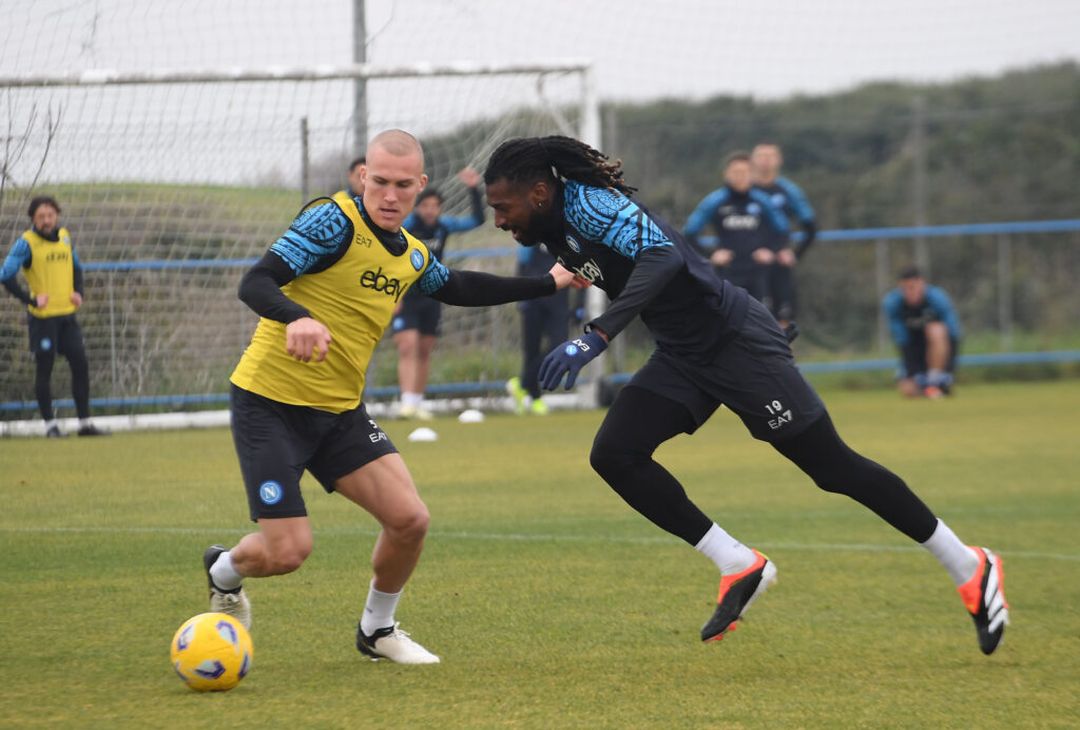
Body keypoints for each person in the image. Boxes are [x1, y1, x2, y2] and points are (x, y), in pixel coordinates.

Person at [483, 135, 1009, 656]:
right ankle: (739, 563)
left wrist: (596, 335)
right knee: (616, 454)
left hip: (734, 341)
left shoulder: (592, 204)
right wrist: (556, 283)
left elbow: (663, 257)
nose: (499, 220)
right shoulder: (553, 225)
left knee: (833, 469)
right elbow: (597, 264)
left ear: (538, 193)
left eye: (503, 208)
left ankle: (969, 564)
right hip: (683, 354)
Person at [203, 129, 575, 665]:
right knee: (289, 553)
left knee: (410, 521)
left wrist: (549, 281)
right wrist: (298, 317)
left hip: (339, 412)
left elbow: (461, 287)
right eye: (379, 182)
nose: (391, 195)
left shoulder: (414, 253)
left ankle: (376, 631)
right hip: (270, 403)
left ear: (422, 185)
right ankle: (224, 571)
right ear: (362, 178)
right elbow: (257, 282)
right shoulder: (332, 222)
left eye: (404, 185)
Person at [1, 196, 106, 438]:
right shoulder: (25, 244)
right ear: (33, 219)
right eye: (41, 217)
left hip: (67, 316)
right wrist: (30, 299)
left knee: (80, 364)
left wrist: (79, 292)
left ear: (56, 215)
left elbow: (77, 267)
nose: (46, 221)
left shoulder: (65, 237)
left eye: (50, 216)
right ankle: (50, 426)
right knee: (45, 368)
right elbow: (5, 275)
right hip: (43, 319)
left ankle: (85, 423)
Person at [391, 167, 485, 419]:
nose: (430, 210)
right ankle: (405, 402)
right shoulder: (407, 227)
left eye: (435, 205)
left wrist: (474, 189)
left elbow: (477, 220)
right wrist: (394, 295)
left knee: (424, 348)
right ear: (418, 207)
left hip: (432, 295)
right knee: (407, 345)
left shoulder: (443, 226)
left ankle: (417, 402)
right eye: (426, 205)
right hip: (407, 294)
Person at [683, 152, 788, 304]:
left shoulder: (762, 200)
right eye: (736, 172)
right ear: (726, 174)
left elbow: (783, 231)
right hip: (727, 271)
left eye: (745, 172)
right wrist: (710, 255)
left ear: (752, 174)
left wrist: (771, 250)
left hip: (757, 271)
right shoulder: (715, 200)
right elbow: (690, 233)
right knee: (725, 319)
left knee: (760, 320)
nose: (741, 176)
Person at [750, 143, 817, 329]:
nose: (765, 160)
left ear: (779, 160)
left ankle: (784, 358)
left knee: (784, 324)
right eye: (761, 155)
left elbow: (810, 227)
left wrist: (795, 254)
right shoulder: (743, 191)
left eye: (770, 156)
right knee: (754, 322)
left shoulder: (789, 191)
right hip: (750, 267)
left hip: (779, 266)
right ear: (753, 160)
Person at [506, 243, 571, 415]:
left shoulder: (568, 234)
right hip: (533, 297)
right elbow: (522, 262)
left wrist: (579, 304)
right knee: (531, 349)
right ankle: (534, 398)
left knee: (559, 343)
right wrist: (521, 296)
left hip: (558, 298)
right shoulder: (532, 233)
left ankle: (521, 384)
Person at [882, 266, 961, 399]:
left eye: (912, 287)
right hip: (915, 348)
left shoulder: (937, 298)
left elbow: (953, 335)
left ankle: (935, 380)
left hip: (937, 350)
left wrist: (948, 368)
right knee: (907, 390)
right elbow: (903, 340)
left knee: (936, 329)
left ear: (922, 284)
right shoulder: (893, 303)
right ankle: (930, 388)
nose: (909, 292)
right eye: (904, 288)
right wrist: (911, 371)